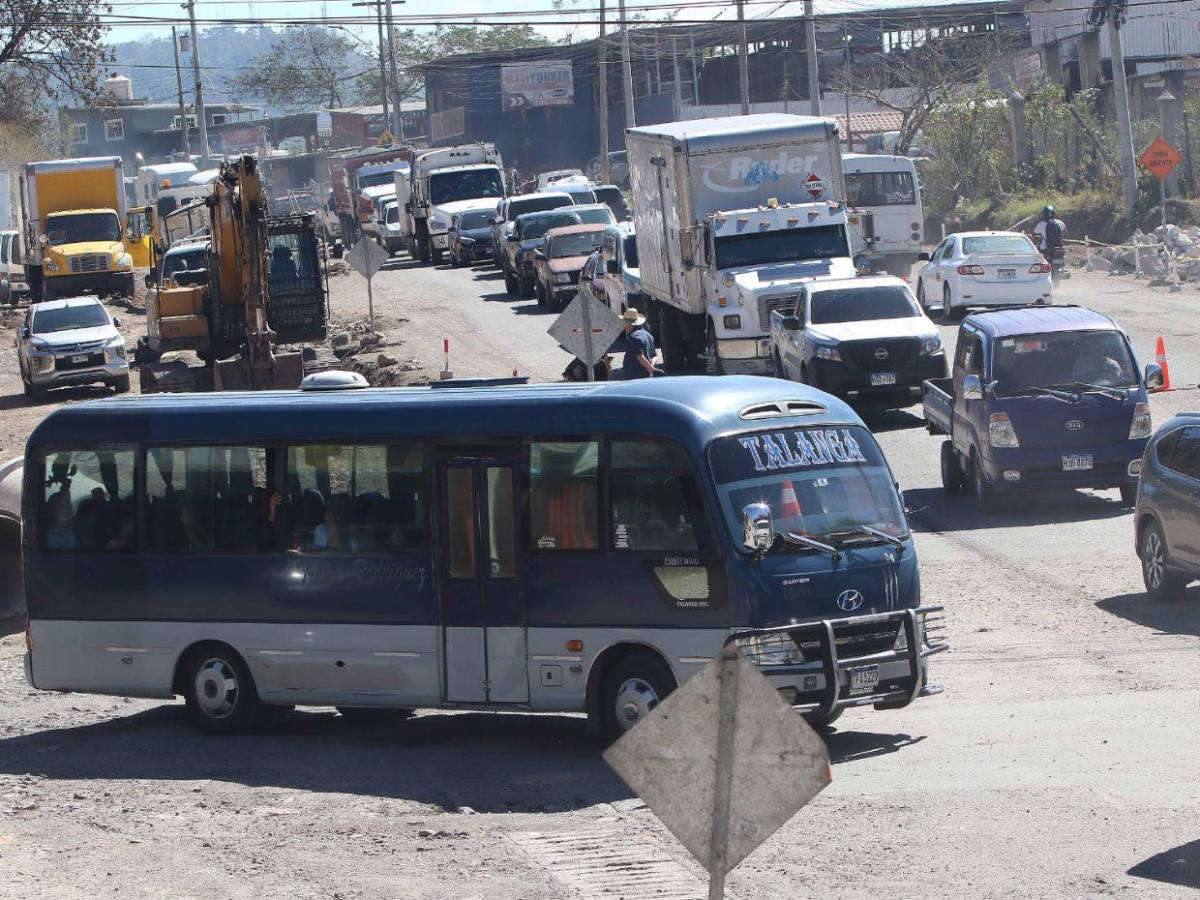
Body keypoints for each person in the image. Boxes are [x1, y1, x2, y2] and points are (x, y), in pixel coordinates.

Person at [620, 308, 656, 379]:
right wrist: (651, 365)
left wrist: (650, 368)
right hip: (646, 376)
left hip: (634, 377)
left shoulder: (632, 338)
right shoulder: (648, 335)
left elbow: (640, 357)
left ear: (628, 324)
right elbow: (655, 356)